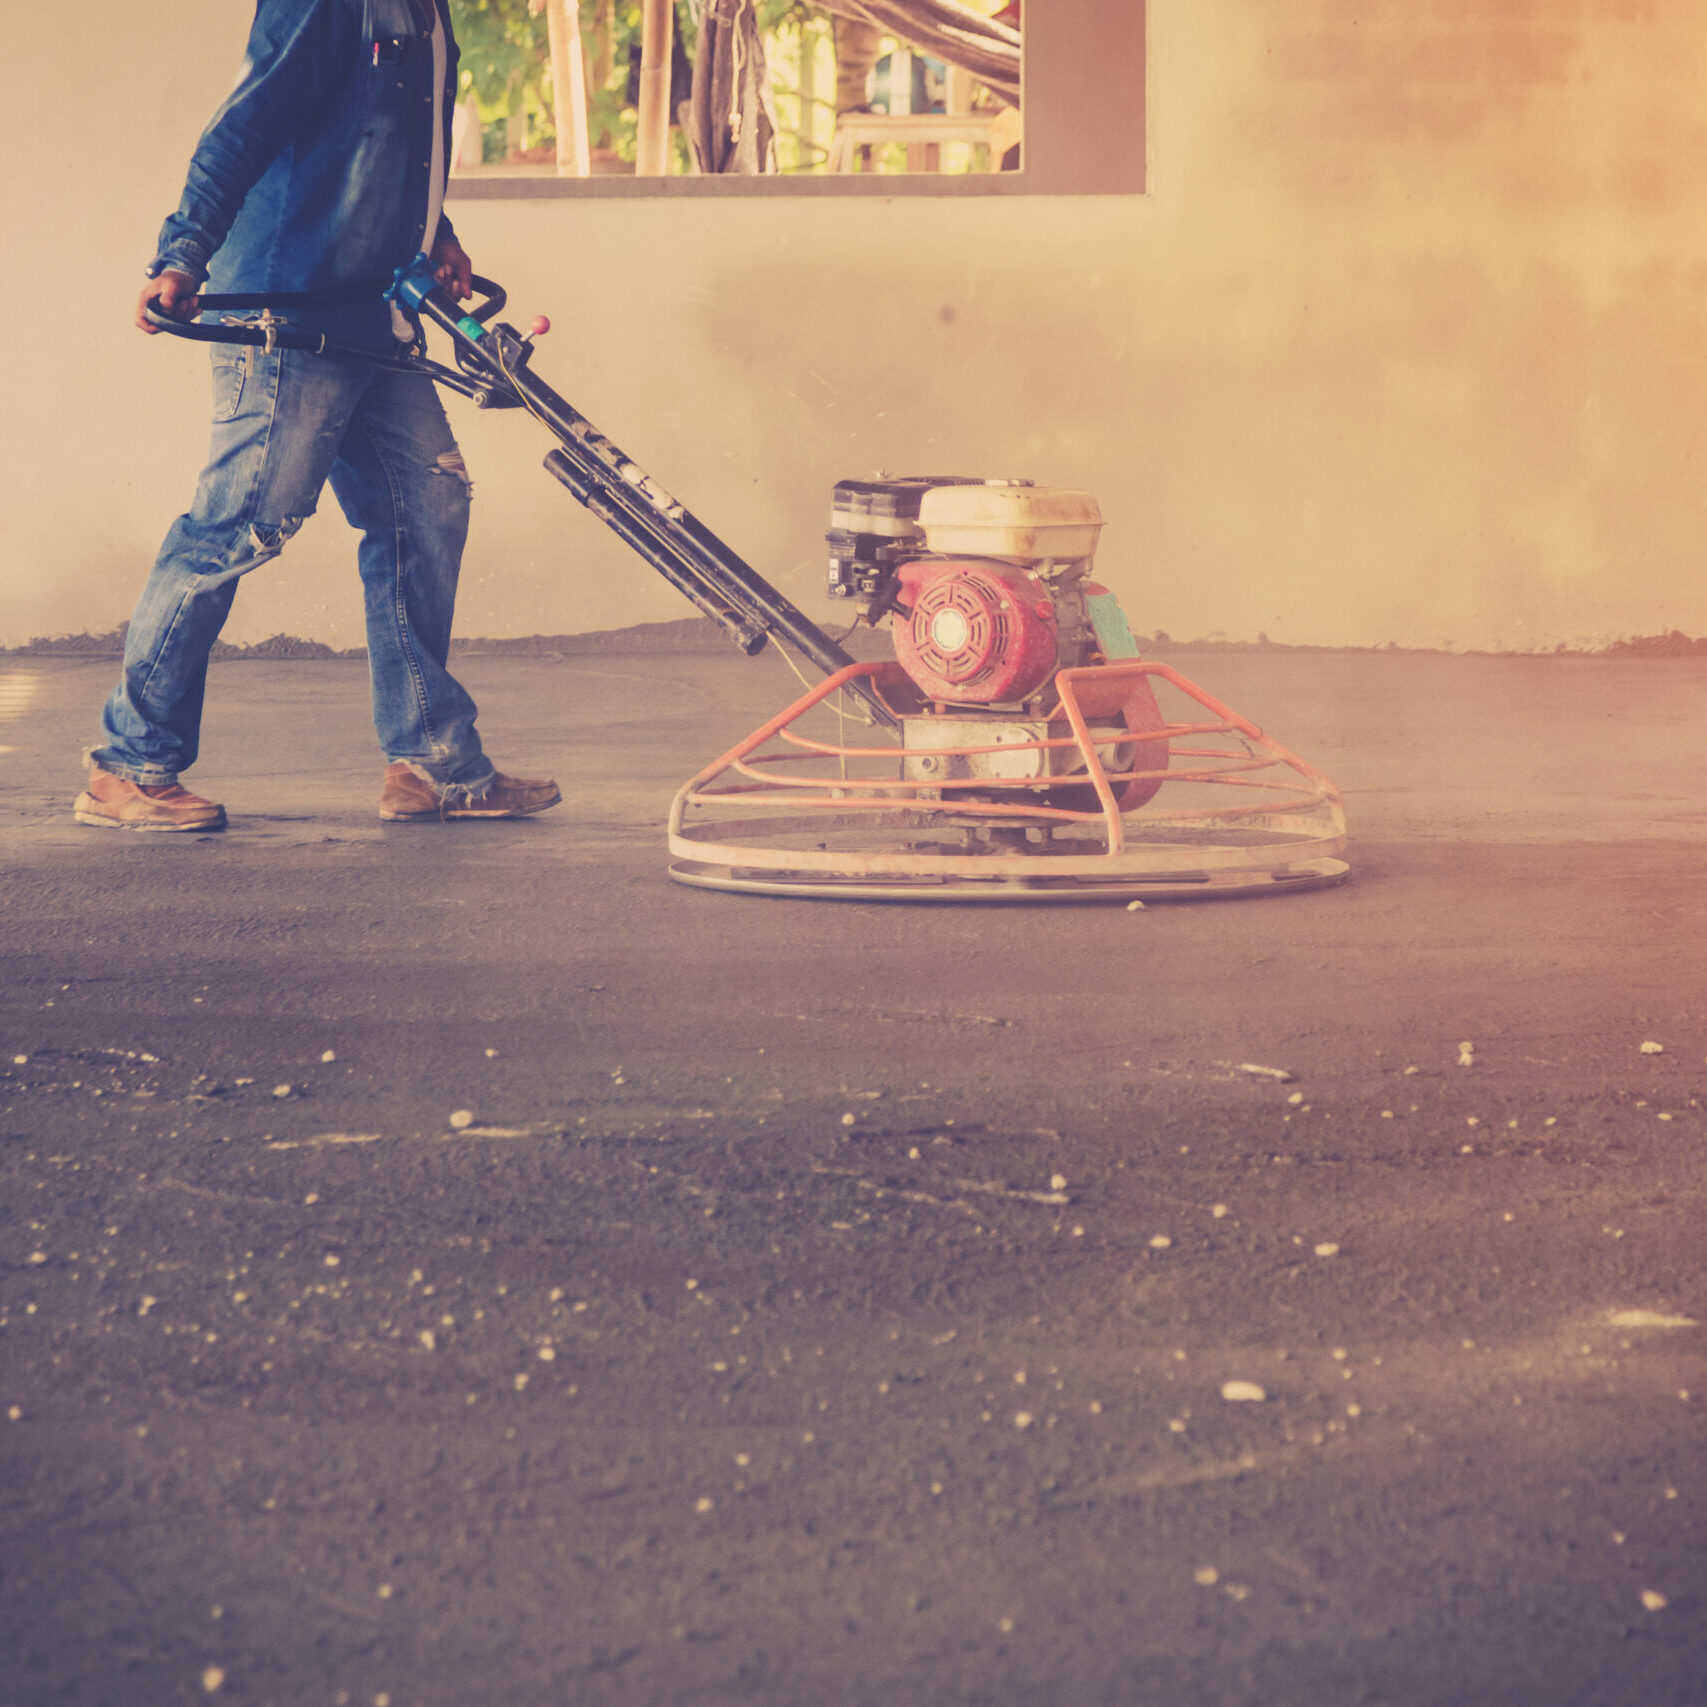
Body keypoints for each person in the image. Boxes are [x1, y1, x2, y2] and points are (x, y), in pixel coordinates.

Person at [77, 0, 559, 831]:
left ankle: (430, 762)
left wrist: (437, 232)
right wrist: (183, 252)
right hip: (287, 311)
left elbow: (389, 145)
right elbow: (247, 121)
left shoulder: (428, 9)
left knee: (427, 505)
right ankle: (128, 765)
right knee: (239, 527)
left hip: (372, 311)